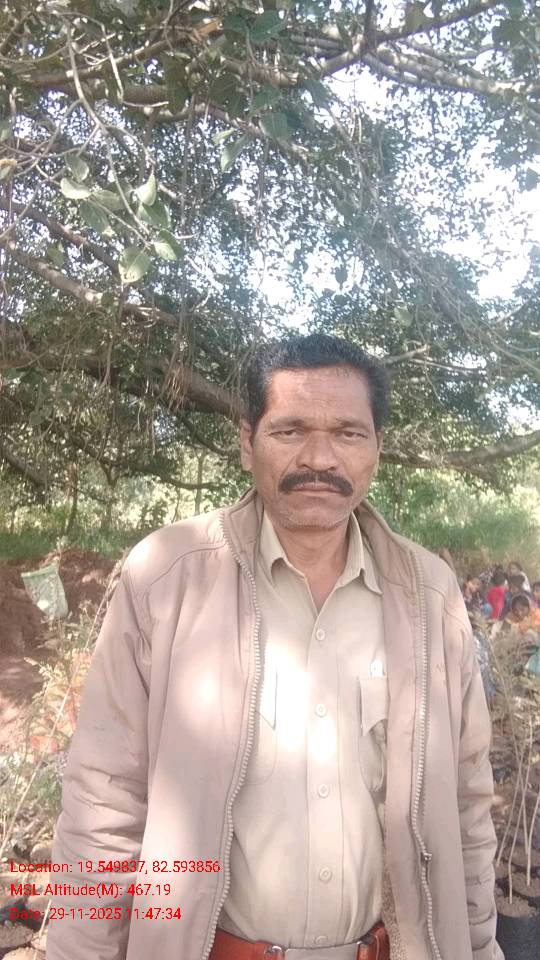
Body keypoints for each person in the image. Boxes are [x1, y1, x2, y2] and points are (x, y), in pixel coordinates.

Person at [46, 334, 503, 960]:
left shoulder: (430, 596)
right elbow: (104, 803)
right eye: (290, 430)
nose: (320, 458)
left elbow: (467, 802)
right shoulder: (166, 580)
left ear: (376, 447)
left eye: (348, 433)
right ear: (247, 441)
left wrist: (479, 946)